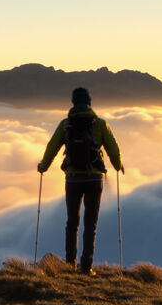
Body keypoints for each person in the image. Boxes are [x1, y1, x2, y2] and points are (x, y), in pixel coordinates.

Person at [37, 87, 124, 271]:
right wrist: (118, 165)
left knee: (72, 222)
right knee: (90, 224)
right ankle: (86, 267)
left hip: (73, 179)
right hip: (94, 179)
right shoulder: (99, 124)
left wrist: (43, 167)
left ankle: (70, 264)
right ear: (89, 102)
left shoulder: (66, 124)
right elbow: (113, 149)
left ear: (73, 103)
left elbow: (52, 147)